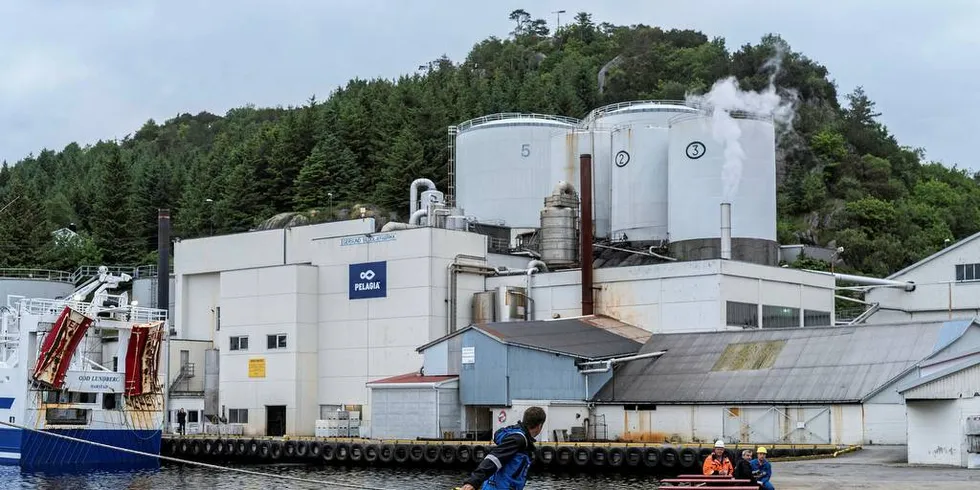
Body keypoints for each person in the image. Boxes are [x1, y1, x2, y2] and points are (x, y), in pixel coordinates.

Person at [459, 407, 546, 490]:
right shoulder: (518, 439)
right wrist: (473, 482)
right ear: (540, 426)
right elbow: (494, 458)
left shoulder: (515, 435)